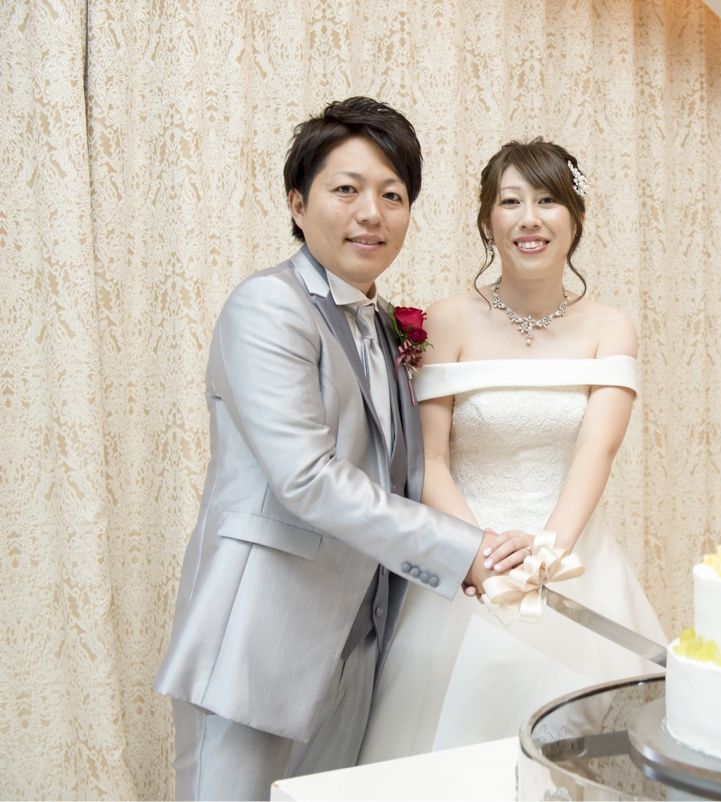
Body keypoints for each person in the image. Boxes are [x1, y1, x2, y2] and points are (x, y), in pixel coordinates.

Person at [154, 97, 531, 800]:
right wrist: (462, 550)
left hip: (357, 644)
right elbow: (307, 478)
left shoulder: (385, 323)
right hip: (258, 639)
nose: (371, 214)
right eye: (347, 189)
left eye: (392, 195)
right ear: (297, 204)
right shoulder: (269, 307)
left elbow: (400, 471)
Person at [358, 139, 666, 762]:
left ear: (576, 217)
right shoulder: (447, 321)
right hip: (468, 554)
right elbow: (430, 461)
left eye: (548, 201)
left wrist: (547, 553)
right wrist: (479, 554)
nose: (530, 219)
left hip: (571, 554)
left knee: (583, 754)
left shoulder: (610, 328)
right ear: (487, 219)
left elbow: (597, 452)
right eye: (511, 202)